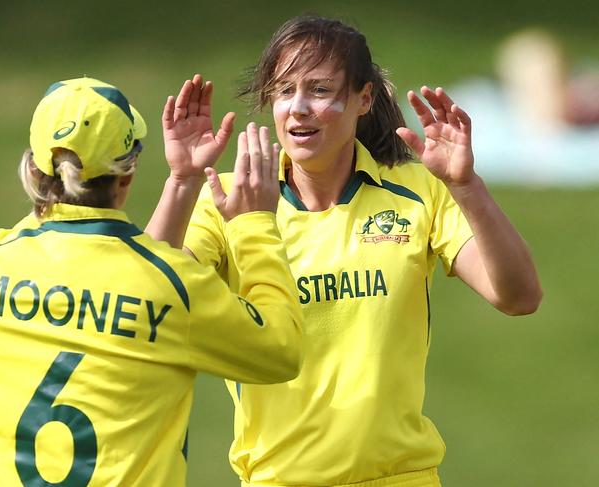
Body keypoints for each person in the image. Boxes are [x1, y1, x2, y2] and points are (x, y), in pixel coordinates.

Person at [147, 15, 543, 487]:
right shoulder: (234, 200)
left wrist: (466, 185)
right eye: (284, 90)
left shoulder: (420, 189)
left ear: (364, 99)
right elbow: (151, 301)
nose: (298, 108)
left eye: (319, 89)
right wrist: (183, 180)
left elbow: (519, 297)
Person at [0, 76, 303, 486]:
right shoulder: (170, 286)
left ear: (33, 166)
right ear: (126, 177)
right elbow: (279, 351)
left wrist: (183, 182)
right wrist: (254, 223)